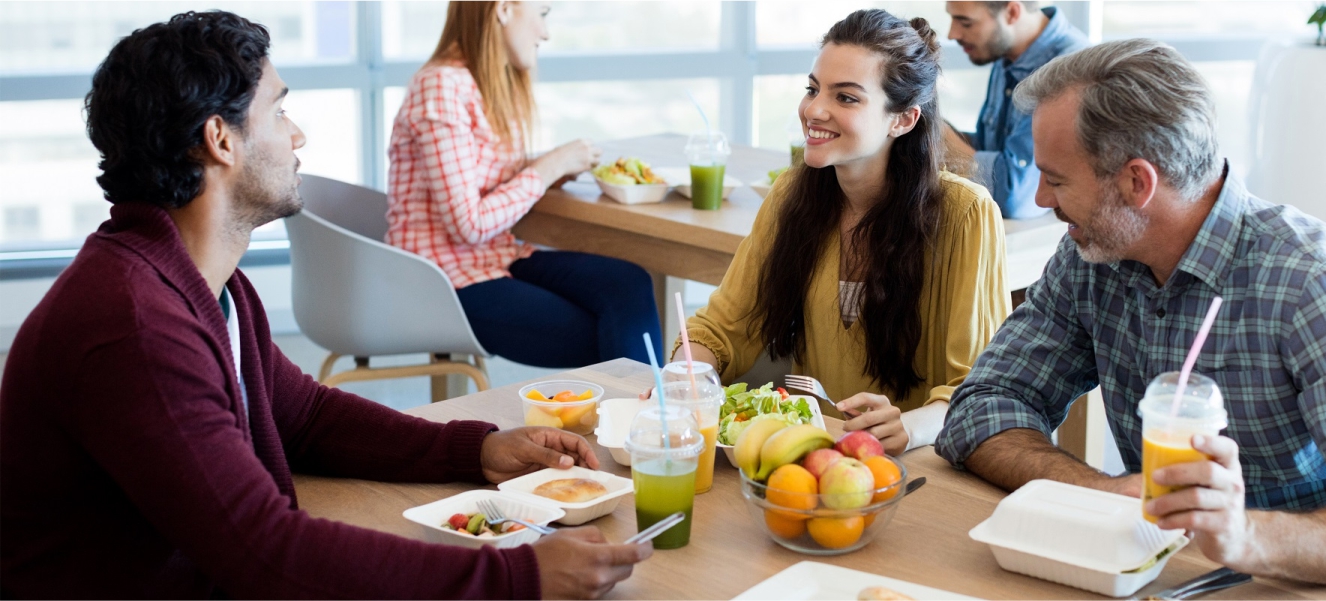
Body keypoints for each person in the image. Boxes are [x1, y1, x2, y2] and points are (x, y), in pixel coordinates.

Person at [0, 12, 649, 599]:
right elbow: (263, 551)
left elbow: (302, 416)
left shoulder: (203, 284)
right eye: (280, 113)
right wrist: (518, 575)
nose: (298, 133)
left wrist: (477, 449)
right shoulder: (134, 323)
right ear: (220, 140)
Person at [936, 39, 1326, 585]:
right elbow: (982, 406)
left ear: (1137, 183)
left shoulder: (1319, 283)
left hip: (1293, 583)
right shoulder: (1092, 257)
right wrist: (1103, 490)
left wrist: (1243, 535)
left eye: (1057, 179)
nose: (1040, 199)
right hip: (1161, 575)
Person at [673, 9, 1011, 455]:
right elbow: (720, 328)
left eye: (846, 98)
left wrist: (910, 426)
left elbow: (979, 388)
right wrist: (685, 378)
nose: (814, 110)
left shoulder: (967, 214)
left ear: (903, 119)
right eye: (813, 90)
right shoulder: (792, 193)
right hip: (814, 456)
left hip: (924, 465)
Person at [387, 1, 662, 368]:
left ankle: (643, 418)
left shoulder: (484, 84)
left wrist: (546, 167)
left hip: (495, 258)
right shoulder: (441, 85)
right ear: (502, 10)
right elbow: (468, 224)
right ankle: (646, 419)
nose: (545, 33)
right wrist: (549, 167)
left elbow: (476, 174)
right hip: (444, 282)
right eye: (543, 13)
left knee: (628, 284)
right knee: (612, 334)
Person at [943, 1, 1087, 219]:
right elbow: (989, 148)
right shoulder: (1006, 54)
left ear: (1011, 12)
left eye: (966, 22)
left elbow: (1017, 197)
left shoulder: (1067, 70)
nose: (952, 34)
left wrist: (941, 134)